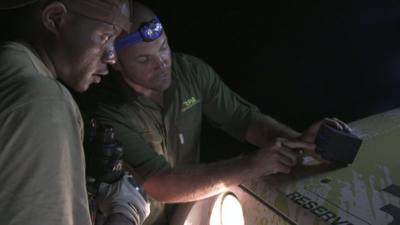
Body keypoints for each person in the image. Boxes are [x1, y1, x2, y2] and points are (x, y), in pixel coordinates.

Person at [79, 1, 350, 224]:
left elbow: (247, 121)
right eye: (143, 59)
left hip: (188, 213)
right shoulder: (108, 112)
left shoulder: (190, 72)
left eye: (163, 48)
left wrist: (301, 141)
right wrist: (251, 165)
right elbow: (160, 183)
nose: (161, 64)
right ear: (116, 64)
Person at [0, 1, 148, 225]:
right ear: (55, 18)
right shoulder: (43, 101)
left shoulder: (10, 71)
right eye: (105, 36)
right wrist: (126, 213)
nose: (112, 57)